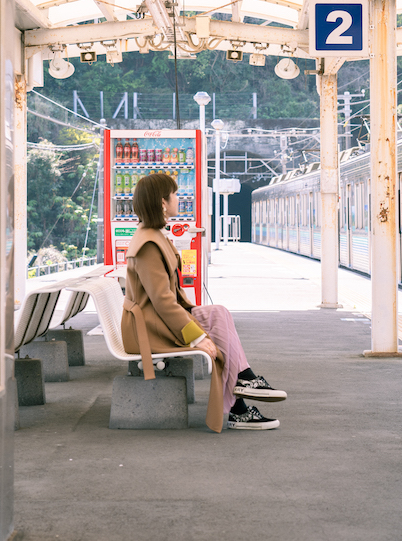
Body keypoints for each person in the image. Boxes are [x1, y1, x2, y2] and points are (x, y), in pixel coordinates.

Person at [122, 172, 286, 432]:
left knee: (218, 313)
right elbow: (164, 301)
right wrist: (198, 337)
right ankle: (238, 404)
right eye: (174, 194)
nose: (179, 198)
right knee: (216, 332)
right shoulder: (149, 245)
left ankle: (243, 382)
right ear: (163, 202)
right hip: (148, 329)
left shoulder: (151, 235)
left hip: (154, 320)